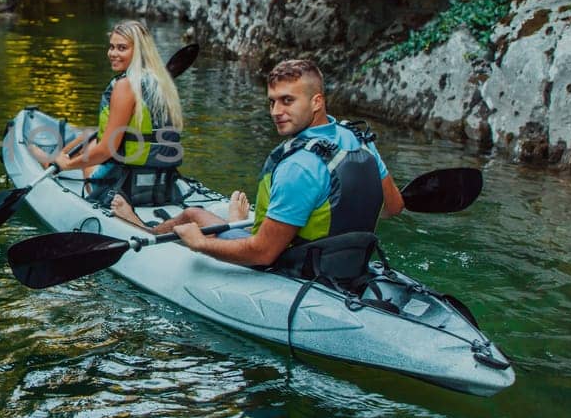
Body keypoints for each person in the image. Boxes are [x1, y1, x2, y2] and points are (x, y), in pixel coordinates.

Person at [110, 56, 403, 267]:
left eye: (287, 100)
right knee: (214, 216)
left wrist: (200, 244)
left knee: (194, 216)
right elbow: (392, 207)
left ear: (317, 102)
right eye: (272, 101)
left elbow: (262, 254)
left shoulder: (299, 166)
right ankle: (237, 223)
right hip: (347, 263)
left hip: (298, 267)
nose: (276, 111)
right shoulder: (359, 140)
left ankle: (141, 229)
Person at [29, 19, 183, 204]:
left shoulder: (125, 85)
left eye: (122, 48)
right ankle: (52, 160)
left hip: (123, 188)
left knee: (93, 146)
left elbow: (106, 150)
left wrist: (69, 165)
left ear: (139, 52)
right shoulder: (161, 83)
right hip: (162, 184)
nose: (113, 54)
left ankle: (51, 160)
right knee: (89, 134)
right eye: (112, 47)